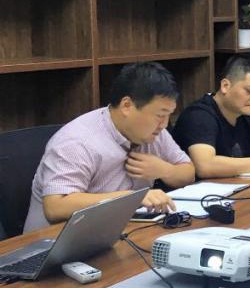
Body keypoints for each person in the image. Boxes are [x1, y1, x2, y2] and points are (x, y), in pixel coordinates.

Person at [25, 62, 195, 233]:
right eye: (160, 115)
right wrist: (131, 198)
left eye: (168, 115)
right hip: (55, 242)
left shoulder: (154, 133)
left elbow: (188, 173)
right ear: (127, 106)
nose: (164, 124)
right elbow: (55, 207)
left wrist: (165, 170)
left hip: (120, 232)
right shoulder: (77, 142)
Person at [172, 56, 250, 178]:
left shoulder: (244, 113)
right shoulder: (199, 115)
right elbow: (205, 165)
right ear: (225, 86)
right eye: (249, 90)